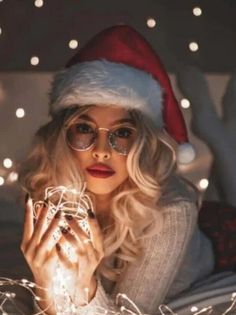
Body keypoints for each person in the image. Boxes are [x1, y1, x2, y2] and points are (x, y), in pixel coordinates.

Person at [18, 25, 215, 315]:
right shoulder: (51, 195)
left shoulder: (173, 211)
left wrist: (85, 286)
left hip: (213, 247)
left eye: (122, 133)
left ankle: (214, 130)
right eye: (84, 128)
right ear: (62, 135)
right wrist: (44, 282)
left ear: (143, 142)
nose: (101, 150)